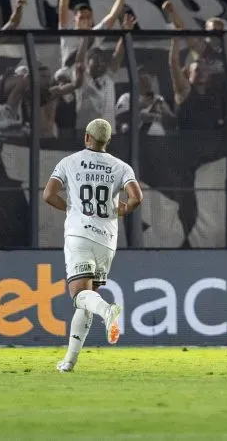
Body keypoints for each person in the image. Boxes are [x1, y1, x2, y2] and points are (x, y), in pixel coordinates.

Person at [42, 118, 143, 373]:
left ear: (87, 137)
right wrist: (122, 210)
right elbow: (136, 198)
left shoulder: (69, 162)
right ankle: (70, 361)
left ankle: (108, 311)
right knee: (88, 298)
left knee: (79, 296)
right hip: (106, 241)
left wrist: (70, 208)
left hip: (79, 235)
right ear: (107, 141)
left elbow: (48, 194)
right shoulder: (121, 167)